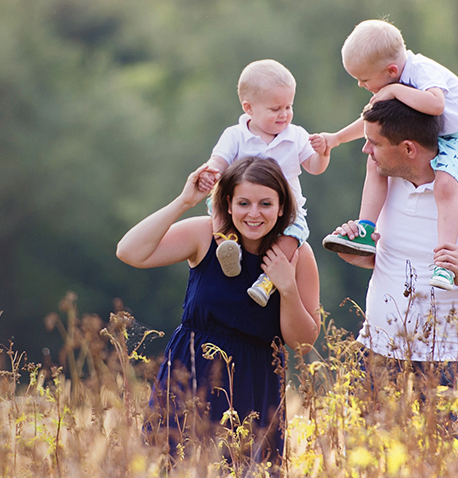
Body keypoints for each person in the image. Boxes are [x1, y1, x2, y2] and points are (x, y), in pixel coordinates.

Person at [117, 156, 323, 468]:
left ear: (282, 207)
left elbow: (304, 343)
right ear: (228, 204)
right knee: (168, 466)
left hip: (255, 387)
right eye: (243, 203)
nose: (254, 214)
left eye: (265, 204)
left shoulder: (296, 254)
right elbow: (130, 251)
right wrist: (184, 201)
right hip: (189, 376)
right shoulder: (206, 235)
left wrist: (287, 288)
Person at [327, 98, 458, 393]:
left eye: (374, 143)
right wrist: (353, 252)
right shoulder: (385, 182)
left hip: (450, 367)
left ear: (409, 149)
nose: (366, 150)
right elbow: (391, 262)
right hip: (374, 358)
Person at [311, 19, 458, 293]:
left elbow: (436, 104)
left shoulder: (421, 71)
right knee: (375, 159)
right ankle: (365, 229)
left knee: (445, 184)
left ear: (391, 70)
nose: (361, 85)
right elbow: (372, 121)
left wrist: (394, 90)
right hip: (433, 135)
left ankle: (444, 262)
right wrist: (336, 138)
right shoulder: (394, 80)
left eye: (363, 79)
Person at [197, 60, 330, 306]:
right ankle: (227, 247)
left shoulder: (296, 135)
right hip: (241, 205)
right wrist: (211, 172)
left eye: (289, 106)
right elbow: (219, 160)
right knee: (215, 205)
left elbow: (314, 167)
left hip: (285, 209)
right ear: (249, 108)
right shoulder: (235, 135)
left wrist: (323, 154)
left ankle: (267, 281)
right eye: (275, 108)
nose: (284, 114)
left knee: (294, 236)